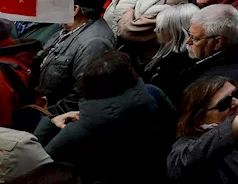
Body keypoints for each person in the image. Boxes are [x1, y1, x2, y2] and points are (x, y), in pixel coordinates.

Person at [36, 51, 175, 182]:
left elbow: (38, 163)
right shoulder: (153, 94)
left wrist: (50, 121)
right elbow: (173, 130)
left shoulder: (77, 131)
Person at [174, 4, 238, 105]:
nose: (188, 42)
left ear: (217, 42)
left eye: (195, 38)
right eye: (189, 35)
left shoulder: (215, 84)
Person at [35, 0, 115, 116]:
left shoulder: (94, 43)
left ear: (74, 10)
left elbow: (81, 94)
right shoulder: (67, 29)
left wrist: (46, 115)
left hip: (58, 118)